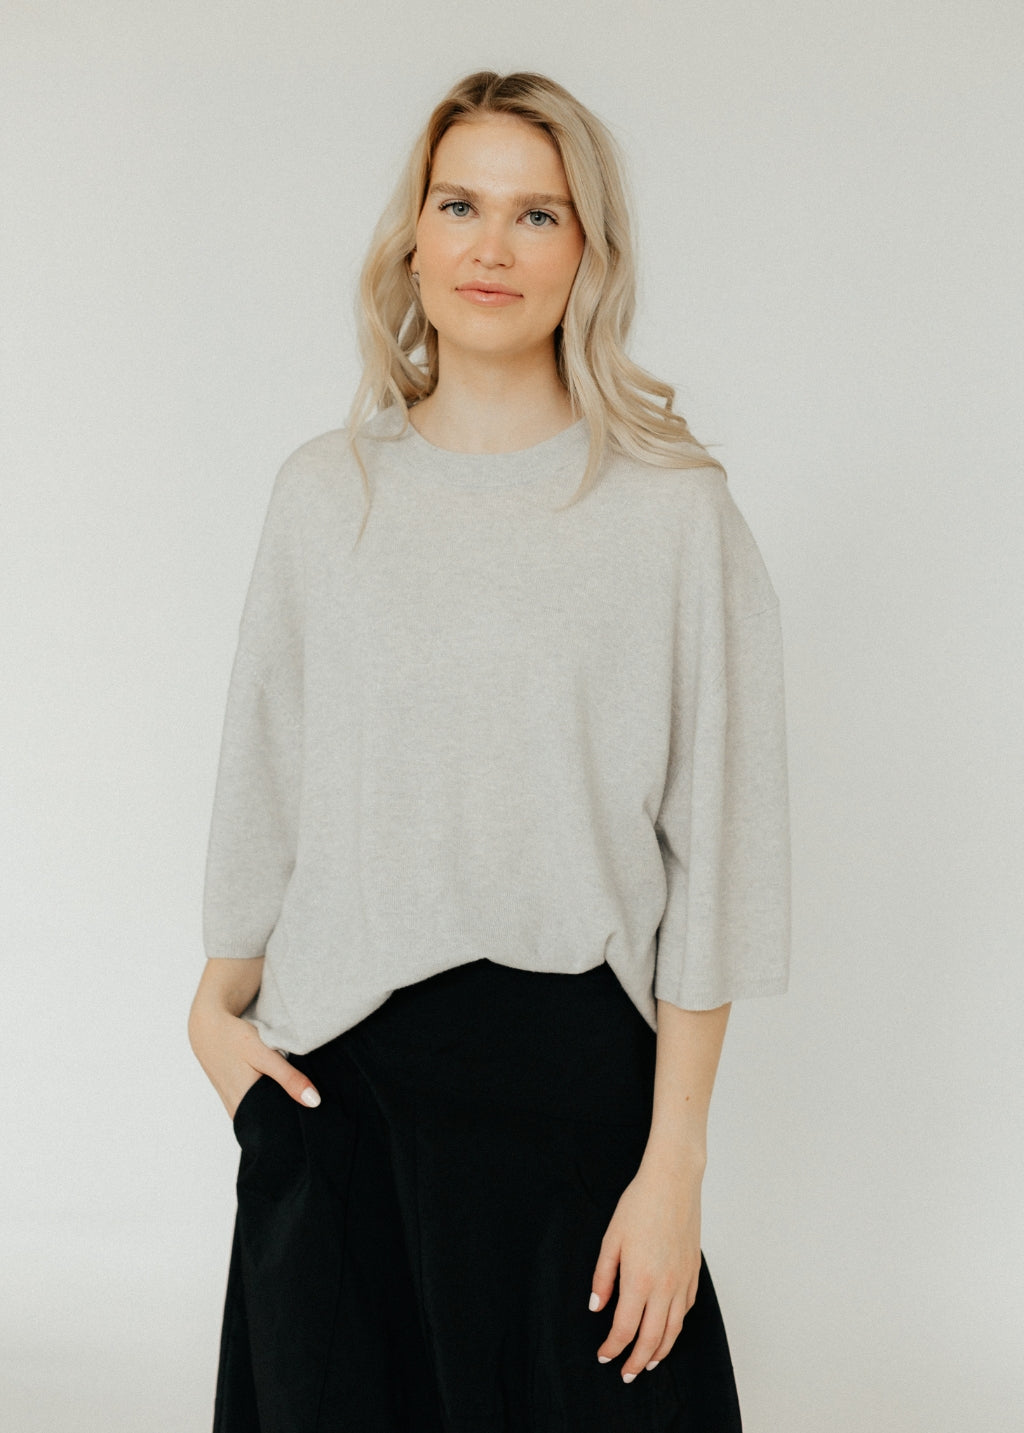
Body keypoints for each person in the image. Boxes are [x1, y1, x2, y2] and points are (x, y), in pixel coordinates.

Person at [188, 68, 790, 1433]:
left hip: (574, 1118)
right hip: (340, 1110)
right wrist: (214, 1020)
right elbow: (266, 779)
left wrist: (675, 1164)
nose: (492, 246)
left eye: (538, 214)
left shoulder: (674, 513)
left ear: (589, 253)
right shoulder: (324, 493)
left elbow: (720, 854)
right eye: (460, 205)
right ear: (414, 236)